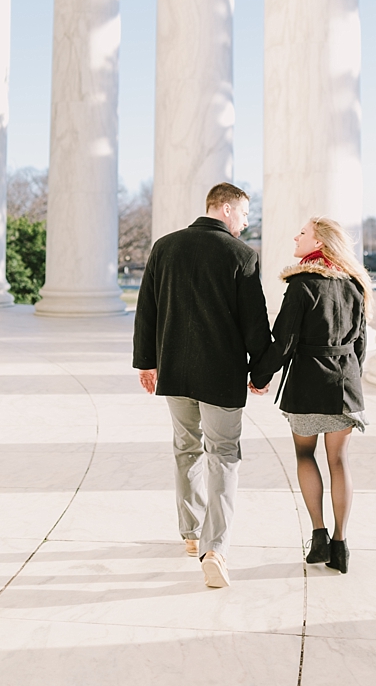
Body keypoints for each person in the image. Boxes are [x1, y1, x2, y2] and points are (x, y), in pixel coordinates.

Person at [133, 182, 271, 589]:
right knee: (224, 454)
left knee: (186, 448)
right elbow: (255, 322)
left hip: (174, 371)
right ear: (225, 209)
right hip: (221, 376)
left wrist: (147, 363)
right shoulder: (242, 256)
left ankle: (191, 535)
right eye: (244, 214)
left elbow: (147, 309)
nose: (246, 223)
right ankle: (216, 549)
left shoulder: (165, 246)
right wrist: (261, 373)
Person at [251, 216, 371, 576]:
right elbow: (360, 344)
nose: (295, 236)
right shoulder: (354, 285)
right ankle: (341, 544)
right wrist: (351, 379)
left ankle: (318, 536)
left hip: (307, 384)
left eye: (302, 233)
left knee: (306, 454)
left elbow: (283, 343)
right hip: (345, 384)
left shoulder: (302, 285)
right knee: (340, 462)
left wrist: (259, 376)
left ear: (319, 242)